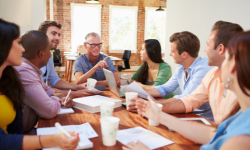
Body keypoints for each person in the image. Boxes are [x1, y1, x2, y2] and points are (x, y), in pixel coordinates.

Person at [125, 30, 250, 150]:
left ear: (233, 67)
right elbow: (213, 134)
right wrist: (158, 115)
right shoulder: (241, 114)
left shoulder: (242, 140)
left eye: (227, 58)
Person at [134, 21, 244, 124]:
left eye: (208, 44)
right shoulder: (212, 74)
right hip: (204, 125)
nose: (205, 49)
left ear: (220, 49)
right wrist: (147, 105)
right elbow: (188, 100)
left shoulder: (206, 69)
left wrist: (152, 106)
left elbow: (185, 98)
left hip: (204, 121)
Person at [0, 18, 79, 150]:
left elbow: (46, 89)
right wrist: (52, 140)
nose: (23, 48)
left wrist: (59, 97)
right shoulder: (23, 70)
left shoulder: (9, 75)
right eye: (19, 43)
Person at [129, 32, 214, 121]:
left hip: (203, 118)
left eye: (172, 51)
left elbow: (186, 97)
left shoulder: (203, 69)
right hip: (185, 114)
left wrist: (153, 105)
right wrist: (139, 92)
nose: (170, 54)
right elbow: (166, 88)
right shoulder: (181, 67)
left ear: (184, 54)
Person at [15, 30, 74, 133]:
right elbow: (49, 110)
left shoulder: (32, 69)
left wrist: (61, 99)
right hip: (20, 136)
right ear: (41, 54)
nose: (51, 55)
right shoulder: (24, 71)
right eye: (49, 51)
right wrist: (56, 99)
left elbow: (47, 90)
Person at [38, 21, 95, 98]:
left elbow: (54, 80)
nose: (57, 38)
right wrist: (75, 94)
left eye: (58, 35)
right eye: (53, 34)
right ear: (42, 36)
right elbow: (39, 88)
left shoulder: (49, 56)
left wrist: (76, 87)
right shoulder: (32, 58)